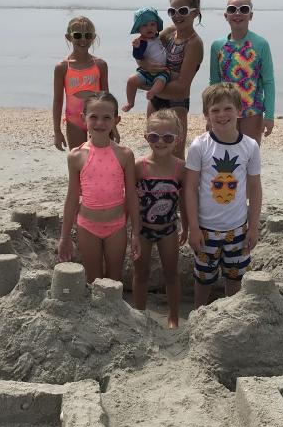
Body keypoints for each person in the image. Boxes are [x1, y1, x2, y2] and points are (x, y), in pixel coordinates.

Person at [185, 83, 262, 309]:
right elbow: (190, 188)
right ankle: (198, 313)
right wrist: (194, 228)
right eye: (215, 110)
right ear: (206, 115)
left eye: (227, 108)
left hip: (238, 227)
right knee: (203, 277)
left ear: (239, 111)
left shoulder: (249, 146)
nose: (221, 115)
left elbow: (255, 187)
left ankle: (229, 312)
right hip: (206, 228)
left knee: (235, 277)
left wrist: (254, 226)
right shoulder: (200, 145)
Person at [58, 92, 140, 282]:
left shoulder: (125, 155)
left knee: (114, 279)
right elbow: (71, 198)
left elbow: (132, 196)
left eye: (106, 118)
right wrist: (64, 237)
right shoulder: (76, 156)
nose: (100, 123)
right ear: (83, 118)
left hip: (117, 226)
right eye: (93, 117)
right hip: (87, 226)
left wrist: (135, 232)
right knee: (93, 279)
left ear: (116, 121)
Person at [132, 109, 188, 328]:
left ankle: (173, 316)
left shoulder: (180, 168)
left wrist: (188, 226)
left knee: (171, 273)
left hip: (169, 229)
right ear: (146, 137)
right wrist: (133, 231)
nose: (161, 142)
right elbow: (131, 200)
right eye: (154, 137)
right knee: (141, 272)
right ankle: (139, 314)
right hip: (143, 229)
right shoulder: (140, 167)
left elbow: (184, 200)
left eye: (168, 137)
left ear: (177, 139)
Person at [209, 0, 275, 145]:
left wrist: (269, 115)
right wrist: (210, 114)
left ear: (251, 15)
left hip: (252, 110)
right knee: (224, 155)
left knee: (249, 156)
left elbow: (268, 82)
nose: (237, 13)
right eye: (232, 9)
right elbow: (214, 82)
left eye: (243, 9)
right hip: (224, 111)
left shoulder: (260, 44)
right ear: (226, 16)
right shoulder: (217, 46)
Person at [146, 0, 205, 157]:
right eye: (172, 11)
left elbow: (182, 85)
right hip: (156, 100)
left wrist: (148, 85)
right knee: (156, 152)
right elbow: (148, 50)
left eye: (183, 11)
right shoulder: (169, 33)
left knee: (176, 156)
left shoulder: (194, 43)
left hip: (177, 103)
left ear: (195, 13)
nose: (177, 15)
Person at [52, 16, 109, 151]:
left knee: (100, 157)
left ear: (93, 37)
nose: (83, 40)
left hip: (98, 118)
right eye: (78, 35)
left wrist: (113, 126)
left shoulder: (100, 65)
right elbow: (58, 101)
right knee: (78, 158)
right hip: (74, 120)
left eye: (88, 35)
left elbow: (106, 98)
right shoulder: (62, 67)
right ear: (69, 37)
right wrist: (57, 131)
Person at [123, 7, 169, 112]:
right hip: (145, 72)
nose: (149, 28)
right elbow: (138, 56)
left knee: (161, 81)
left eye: (152, 24)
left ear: (157, 26)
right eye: (145, 25)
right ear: (138, 29)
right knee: (131, 80)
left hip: (162, 70)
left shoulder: (160, 38)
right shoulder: (142, 41)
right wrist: (136, 48)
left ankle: (152, 92)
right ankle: (130, 102)